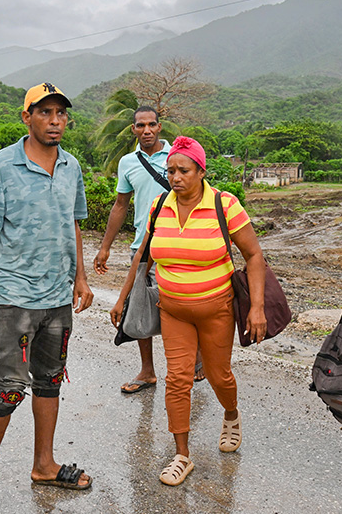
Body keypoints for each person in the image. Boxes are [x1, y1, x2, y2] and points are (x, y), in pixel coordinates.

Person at [0, 83, 94, 514]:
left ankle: (44, 464)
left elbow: (73, 225)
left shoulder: (71, 166)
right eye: (46, 112)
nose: (56, 120)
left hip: (57, 297)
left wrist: (82, 279)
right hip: (15, 297)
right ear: (27, 118)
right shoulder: (2, 166)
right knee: (10, 386)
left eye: (61, 113)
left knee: (50, 379)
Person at [111, 136, 266, 487]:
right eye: (171, 171)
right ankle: (182, 454)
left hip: (217, 310)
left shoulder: (225, 205)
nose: (175, 177)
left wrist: (257, 307)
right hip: (173, 310)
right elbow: (144, 257)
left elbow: (254, 256)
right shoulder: (159, 206)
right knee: (177, 379)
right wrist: (122, 298)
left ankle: (231, 413)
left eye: (183, 170)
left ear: (200, 170)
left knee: (218, 375)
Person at [93, 107, 205, 392]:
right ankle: (148, 371)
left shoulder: (177, 158)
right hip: (142, 248)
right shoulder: (128, 162)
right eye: (140, 125)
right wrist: (105, 247)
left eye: (151, 124)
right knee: (141, 308)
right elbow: (121, 205)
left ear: (159, 127)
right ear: (133, 129)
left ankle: (193, 361)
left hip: (178, 246)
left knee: (181, 306)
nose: (146, 130)